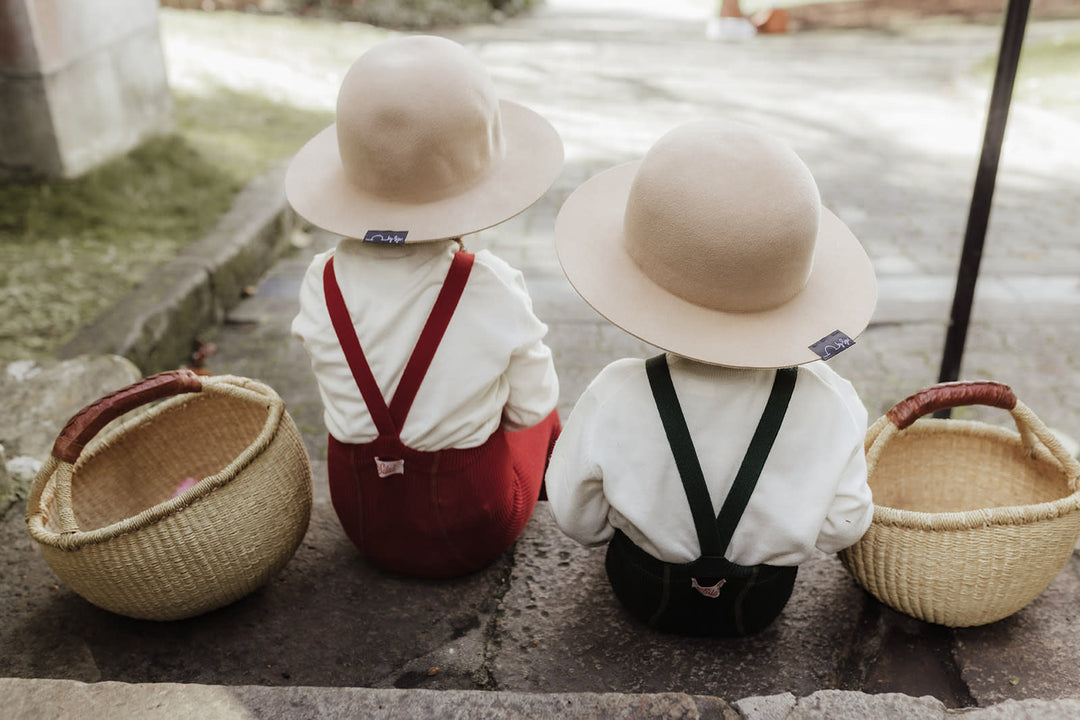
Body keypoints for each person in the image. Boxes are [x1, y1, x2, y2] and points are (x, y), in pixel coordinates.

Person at [545, 119, 876, 636]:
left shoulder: (616, 393)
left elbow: (575, 518)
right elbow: (844, 526)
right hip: (759, 608)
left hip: (642, 591)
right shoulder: (833, 403)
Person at [287, 35, 564, 579]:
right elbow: (531, 409)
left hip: (362, 519)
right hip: (474, 523)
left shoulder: (322, 279)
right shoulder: (488, 283)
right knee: (545, 411)